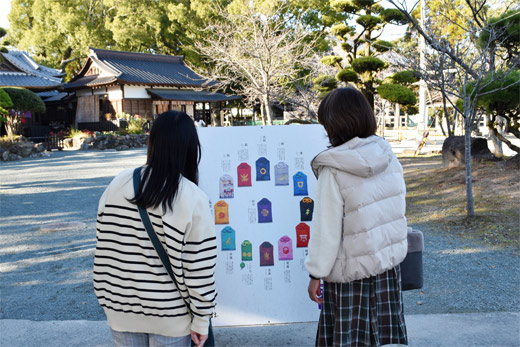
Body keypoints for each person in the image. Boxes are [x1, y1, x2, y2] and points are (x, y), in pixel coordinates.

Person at [94, 110, 217, 347]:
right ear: (191, 148)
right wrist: (202, 320)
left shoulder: (117, 184)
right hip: (170, 314)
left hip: (121, 309)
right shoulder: (192, 197)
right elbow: (199, 267)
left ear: (153, 142)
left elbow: (104, 247)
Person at [305, 87, 408, 346]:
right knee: (385, 340)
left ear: (333, 125)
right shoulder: (387, 154)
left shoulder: (334, 168)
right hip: (386, 269)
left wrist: (315, 274)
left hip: (350, 273)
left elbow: (325, 230)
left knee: (349, 339)